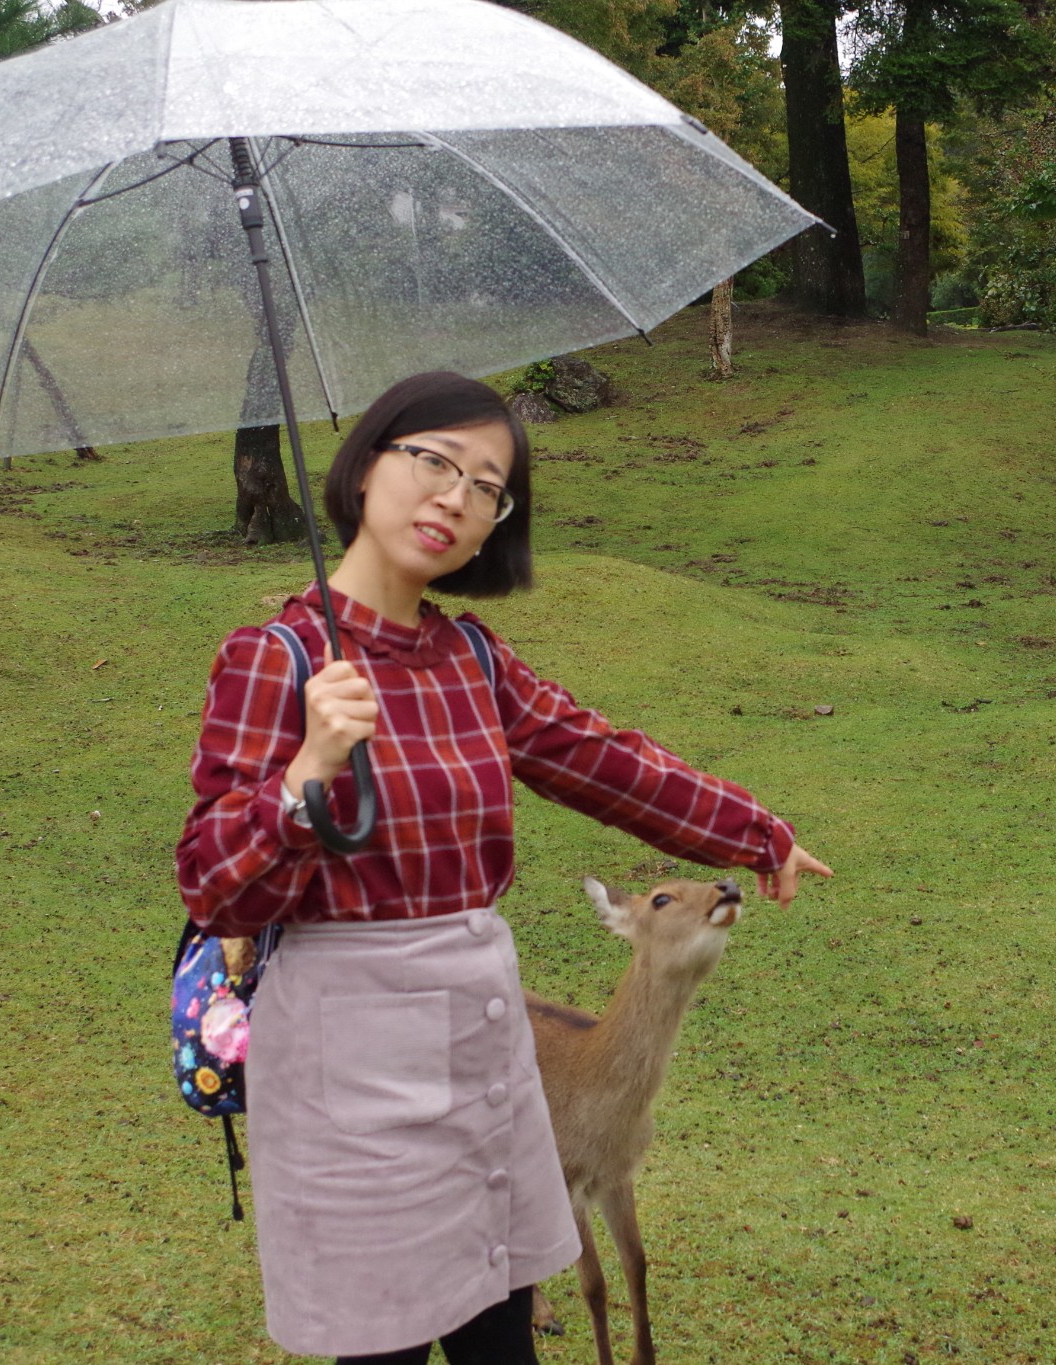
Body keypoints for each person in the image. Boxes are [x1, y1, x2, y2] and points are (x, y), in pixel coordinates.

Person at [176, 371, 831, 1365]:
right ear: (364, 470)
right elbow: (214, 882)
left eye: (487, 486)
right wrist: (307, 774)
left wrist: (754, 832)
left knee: (500, 1331)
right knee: (385, 1341)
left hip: (480, 1032)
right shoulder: (275, 659)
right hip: (351, 1050)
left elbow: (600, 759)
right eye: (432, 461)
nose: (455, 496)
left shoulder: (470, 657)